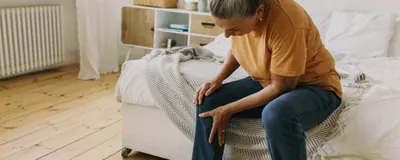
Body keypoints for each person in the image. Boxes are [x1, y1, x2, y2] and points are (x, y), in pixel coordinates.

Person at [191, 0, 343, 160]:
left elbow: (282, 87)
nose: (227, 35)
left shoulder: (288, 22)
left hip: (315, 87)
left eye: (234, 29)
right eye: (221, 28)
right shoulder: (241, 12)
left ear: (259, 11)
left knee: (276, 113)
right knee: (208, 99)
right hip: (269, 80)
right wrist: (218, 79)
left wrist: (228, 110)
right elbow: (238, 48)